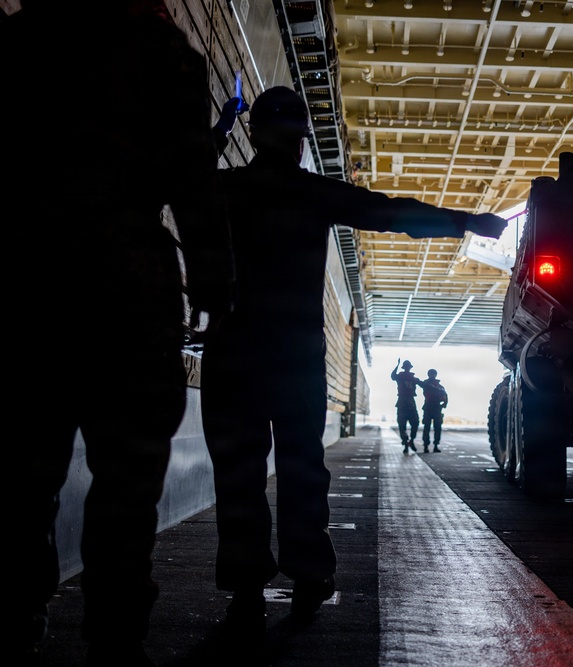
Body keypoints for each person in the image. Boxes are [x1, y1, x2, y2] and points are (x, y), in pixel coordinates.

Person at [203, 86, 506, 634]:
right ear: (301, 142)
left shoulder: (225, 188)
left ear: (254, 135)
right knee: (302, 468)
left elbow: (175, 182)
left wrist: (218, 132)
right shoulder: (313, 193)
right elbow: (391, 213)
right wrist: (464, 220)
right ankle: (310, 576)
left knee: (239, 474)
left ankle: (246, 593)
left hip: (234, 353)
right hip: (296, 356)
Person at [3, 2, 234, 665]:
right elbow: (193, 179)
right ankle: (115, 640)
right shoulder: (165, 53)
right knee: (128, 485)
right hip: (127, 283)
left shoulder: (18, 40)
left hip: (27, 278)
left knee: (21, 476)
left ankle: (15, 618)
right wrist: (212, 284)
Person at [391, 359, 422, 452]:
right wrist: (397, 365)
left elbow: (422, 384)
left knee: (413, 423)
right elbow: (393, 376)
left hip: (407, 402)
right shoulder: (403, 377)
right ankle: (407, 442)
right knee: (403, 424)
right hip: (405, 402)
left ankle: (410, 440)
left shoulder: (410, 378)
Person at [418, 369, 449, 453]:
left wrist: (444, 403)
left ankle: (435, 445)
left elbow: (445, 395)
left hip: (436, 407)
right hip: (429, 407)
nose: (432, 375)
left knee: (437, 427)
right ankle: (426, 445)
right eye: (431, 374)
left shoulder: (439, 386)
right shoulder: (426, 384)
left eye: (433, 374)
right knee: (427, 427)